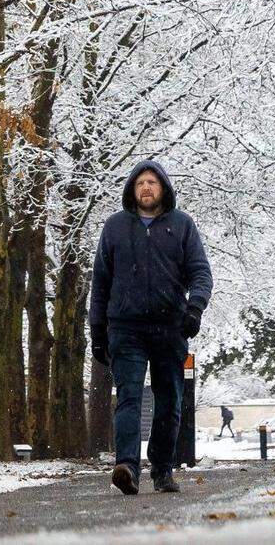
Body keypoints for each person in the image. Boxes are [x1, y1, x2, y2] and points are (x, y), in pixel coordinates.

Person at [90, 159, 213, 496]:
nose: (146, 187)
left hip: (170, 326)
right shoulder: (115, 227)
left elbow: (201, 272)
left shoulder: (182, 225)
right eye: (140, 182)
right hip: (125, 327)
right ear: (132, 189)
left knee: (169, 399)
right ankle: (127, 466)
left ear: (163, 189)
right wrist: (97, 330)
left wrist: (194, 309)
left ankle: (161, 468)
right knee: (128, 396)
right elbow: (100, 282)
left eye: (152, 182)